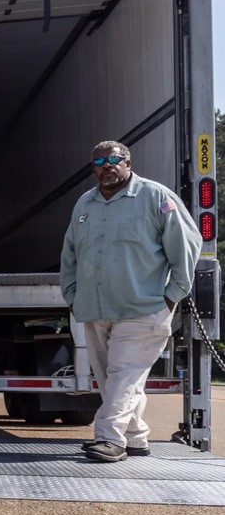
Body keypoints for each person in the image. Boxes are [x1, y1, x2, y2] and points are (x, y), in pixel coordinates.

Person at [59, 140, 202, 463]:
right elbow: (70, 253)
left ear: (128, 163)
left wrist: (172, 296)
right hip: (95, 308)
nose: (107, 166)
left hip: (144, 308)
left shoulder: (156, 197)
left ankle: (109, 439)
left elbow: (187, 245)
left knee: (124, 374)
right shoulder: (85, 203)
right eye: (99, 162)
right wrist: (72, 295)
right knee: (113, 380)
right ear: (93, 169)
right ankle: (136, 438)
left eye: (113, 159)